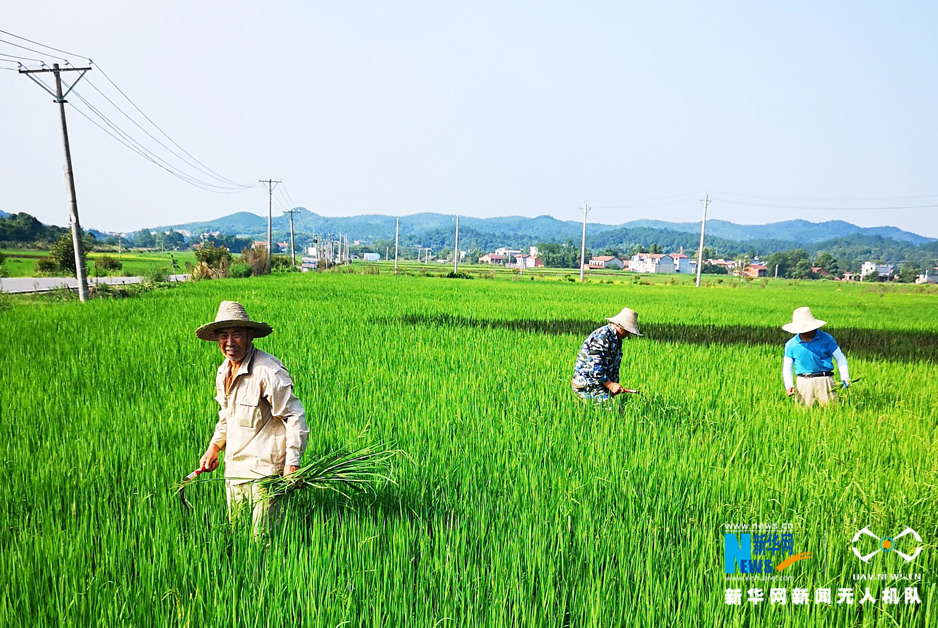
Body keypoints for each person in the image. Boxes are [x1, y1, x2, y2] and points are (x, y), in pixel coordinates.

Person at [196, 301, 309, 536]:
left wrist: (292, 463)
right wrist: (214, 447)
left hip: (265, 474)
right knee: (237, 536)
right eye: (223, 335)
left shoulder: (268, 371)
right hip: (235, 470)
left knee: (264, 540)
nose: (229, 342)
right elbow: (226, 415)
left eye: (236, 334)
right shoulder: (223, 371)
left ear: (250, 336)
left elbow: (293, 415)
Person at [782, 307, 850, 408]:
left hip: (825, 380)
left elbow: (840, 357)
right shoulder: (791, 345)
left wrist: (845, 376)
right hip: (803, 382)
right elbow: (787, 367)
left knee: (831, 411)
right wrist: (789, 385)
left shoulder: (826, 338)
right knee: (803, 414)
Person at [571, 307, 642, 402]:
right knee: (610, 410)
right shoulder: (603, 337)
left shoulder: (616, 339)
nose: (628, 334)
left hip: (599, 385)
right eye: (627, 331)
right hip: (587, 384)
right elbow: (595, 367)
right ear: (620, 326)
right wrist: (610, 385)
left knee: (610, 411)